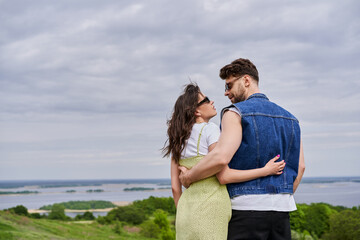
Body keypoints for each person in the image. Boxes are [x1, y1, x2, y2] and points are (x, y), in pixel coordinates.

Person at [179, 59, 305, 240]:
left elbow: (221, 159)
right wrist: (279, 198)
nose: (226, 93)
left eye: (229, 85)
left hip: (245, 211)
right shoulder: (291, 119)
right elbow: (300, 167)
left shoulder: (235, 113)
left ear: (246, 81)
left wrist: (189, 177)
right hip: (282, 213)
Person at [163, 83, 286, 239]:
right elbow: (225, 176)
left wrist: (182, 211)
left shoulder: (177, 140)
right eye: (206, 100)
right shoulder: (210, 129)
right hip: (212, 206)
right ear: (196, 111)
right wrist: (266, 170)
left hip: (185, 212)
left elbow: (175, 188)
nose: (212, 101)